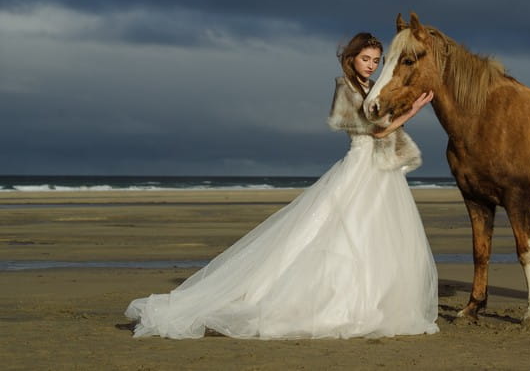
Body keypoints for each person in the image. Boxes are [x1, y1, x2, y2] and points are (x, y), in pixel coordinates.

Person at [125, 32, 439, 339]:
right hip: (360, 166)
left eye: (375, 60)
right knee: (344, 233)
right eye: (365, 59)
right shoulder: (345, 89)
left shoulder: (375, 88)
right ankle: (334, 302)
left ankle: (376, 301)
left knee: (377, 236)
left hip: (381, 171)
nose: (371, 65)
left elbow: (384, 125)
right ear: (351, 59)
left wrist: (403, 106)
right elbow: (376, 133)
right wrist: (411, 111)